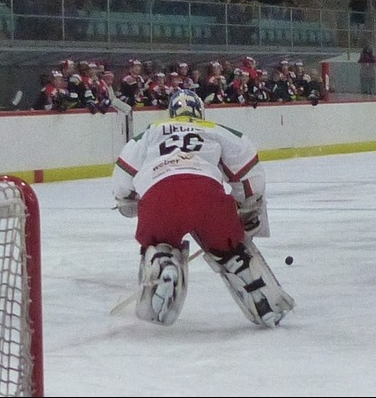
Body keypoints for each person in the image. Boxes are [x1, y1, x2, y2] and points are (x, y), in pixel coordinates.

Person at [112, 89, 295, 327]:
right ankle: (259, 293)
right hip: (207, 196)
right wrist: (247, 207)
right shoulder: (217, 130)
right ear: (200, 111)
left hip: (160, 195)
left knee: (159, 243)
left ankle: (164, 262)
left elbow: (123, 176)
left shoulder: (150, 132)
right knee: (231, 252)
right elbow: (248, 170)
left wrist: (128, 201)